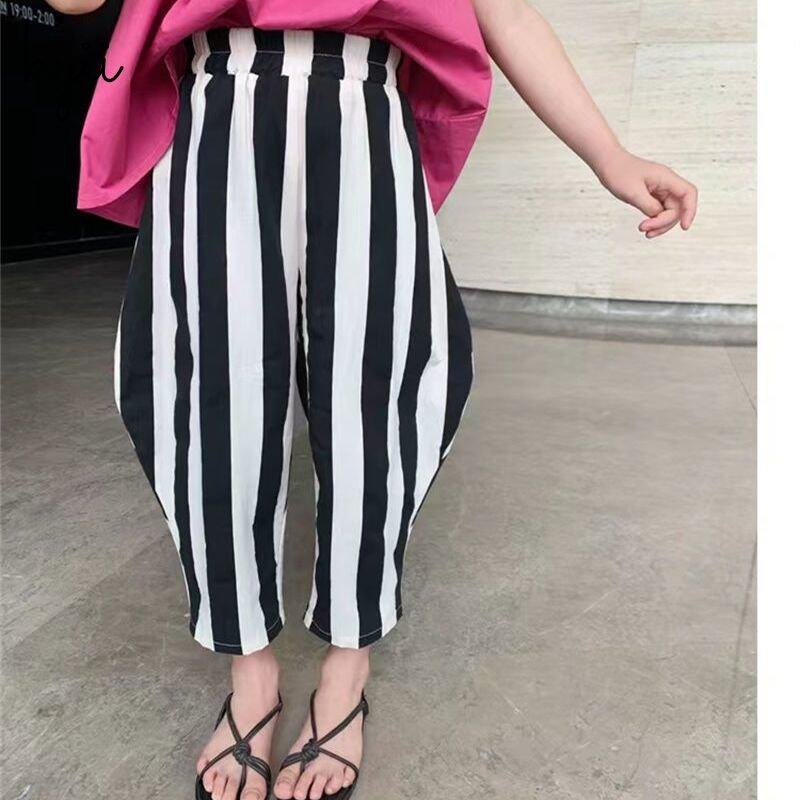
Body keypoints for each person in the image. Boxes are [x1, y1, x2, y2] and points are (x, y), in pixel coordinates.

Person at [51, 1, 697, 799]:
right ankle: (250, 672)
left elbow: (504, 12)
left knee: (379, 395)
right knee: (209, 398)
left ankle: (346, 669)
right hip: (219, 99)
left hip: (365, 101)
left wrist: (609, 155)